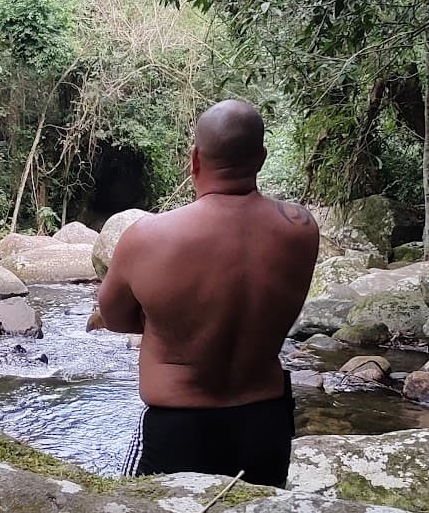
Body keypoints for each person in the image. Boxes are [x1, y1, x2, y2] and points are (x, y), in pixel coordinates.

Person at [97, 99, 319, 485]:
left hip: (177, 428)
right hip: (266, 423)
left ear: (194, 159)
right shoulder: (301, 228)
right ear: (262, 157)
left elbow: (114, 318)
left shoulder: (148, 237)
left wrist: (164, 316)